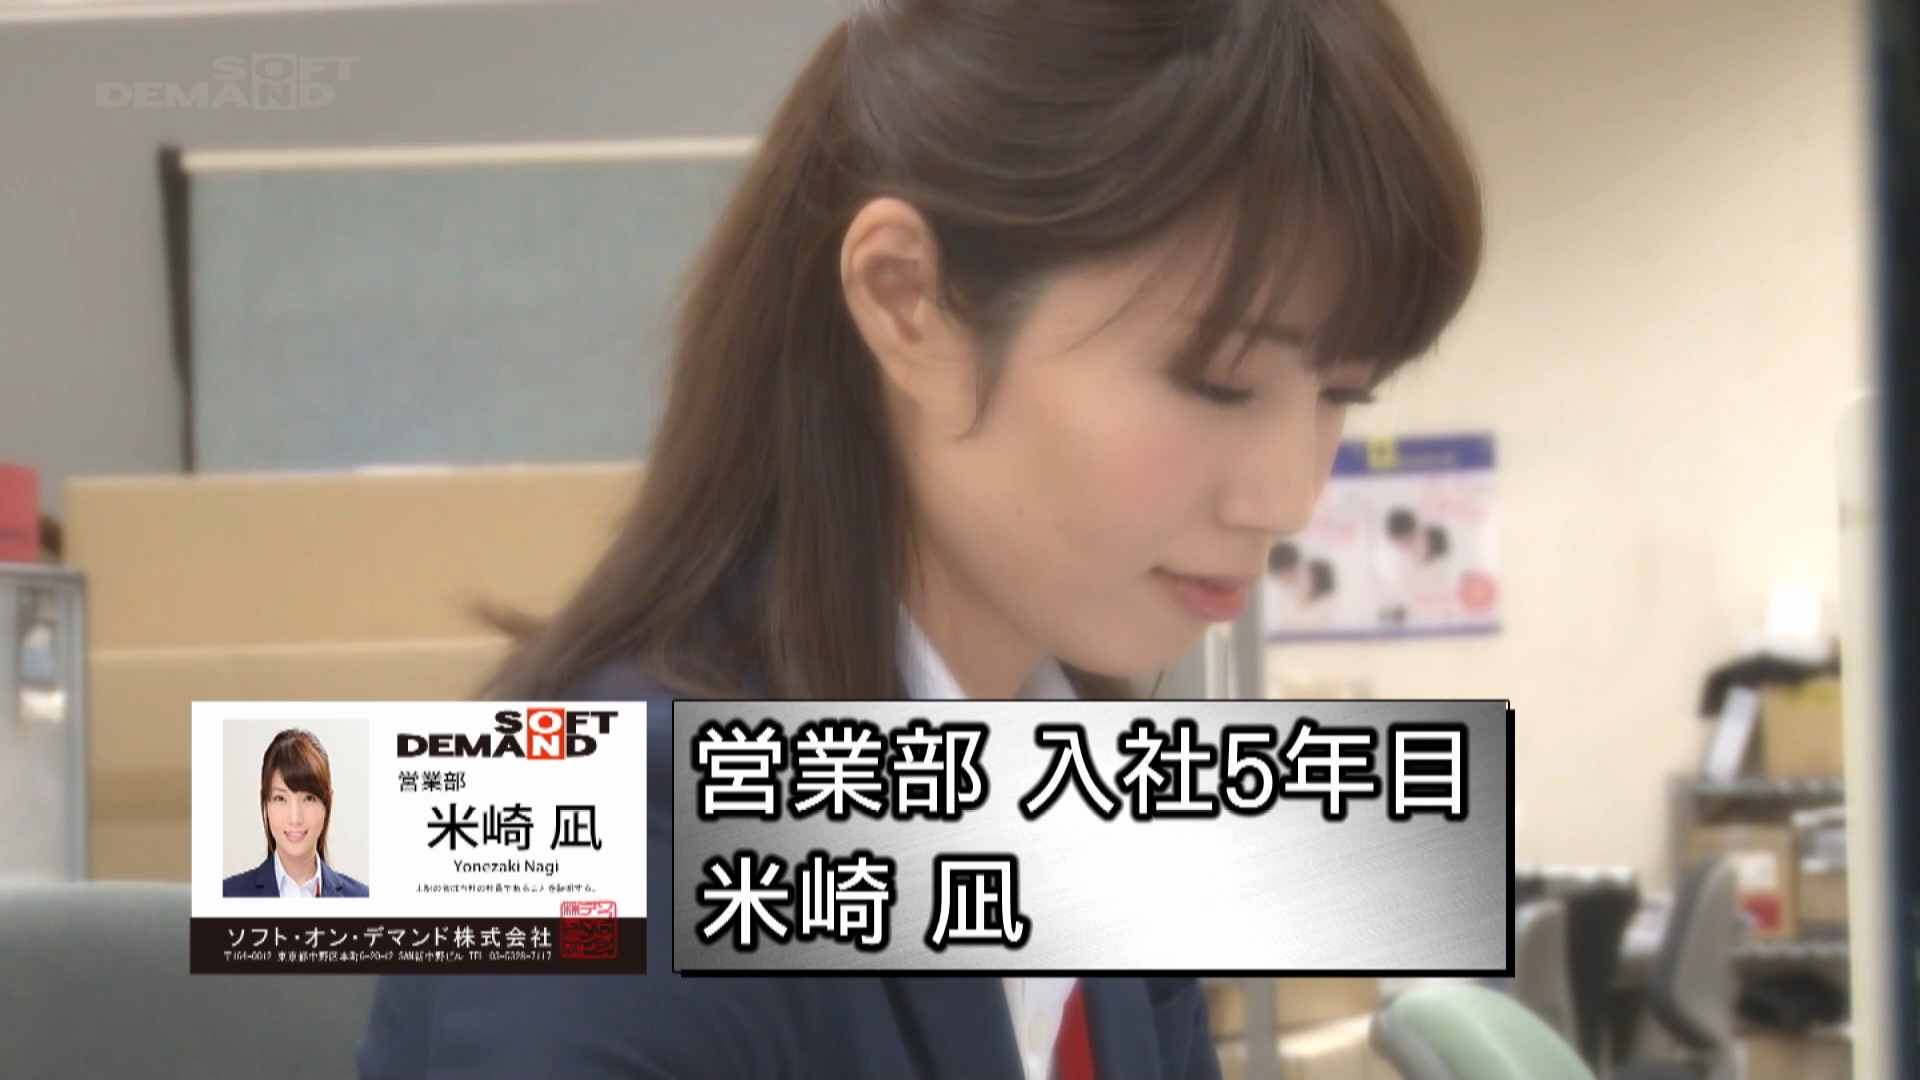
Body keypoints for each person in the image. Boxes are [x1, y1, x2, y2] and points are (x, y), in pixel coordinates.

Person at [358, 0, 1481, 1075]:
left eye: (1343, 394)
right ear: (907, 301)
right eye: (1218, 380)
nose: (1287, 497)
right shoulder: (588, 833)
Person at [222, 728, 369, 899]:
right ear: (265, 803)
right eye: (280, 798)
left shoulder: (362, 899)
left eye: (308, 798)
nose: (295, 818)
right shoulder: (227, 894)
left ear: (327, 804)